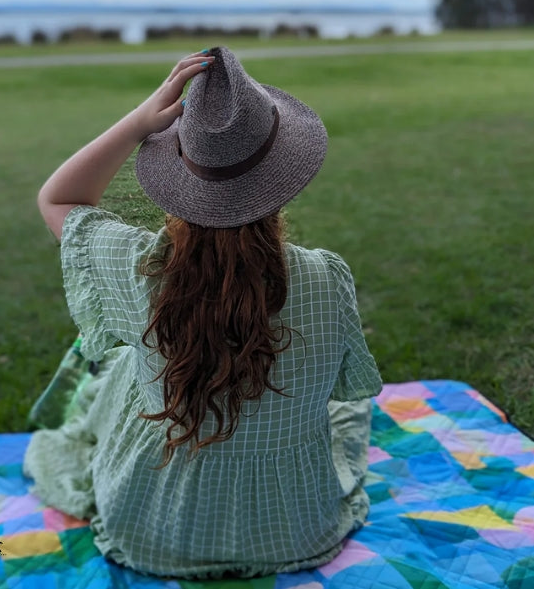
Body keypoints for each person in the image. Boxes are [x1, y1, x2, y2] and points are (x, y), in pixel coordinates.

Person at [23, 46, 383, 579]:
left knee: (125, 364)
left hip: (148, 529)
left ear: (179, 180)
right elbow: (338, 387)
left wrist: (140, 120)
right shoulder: (325, 277)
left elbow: (58, 198)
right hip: (295, 527)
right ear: (281, 180)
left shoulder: (136, 268)